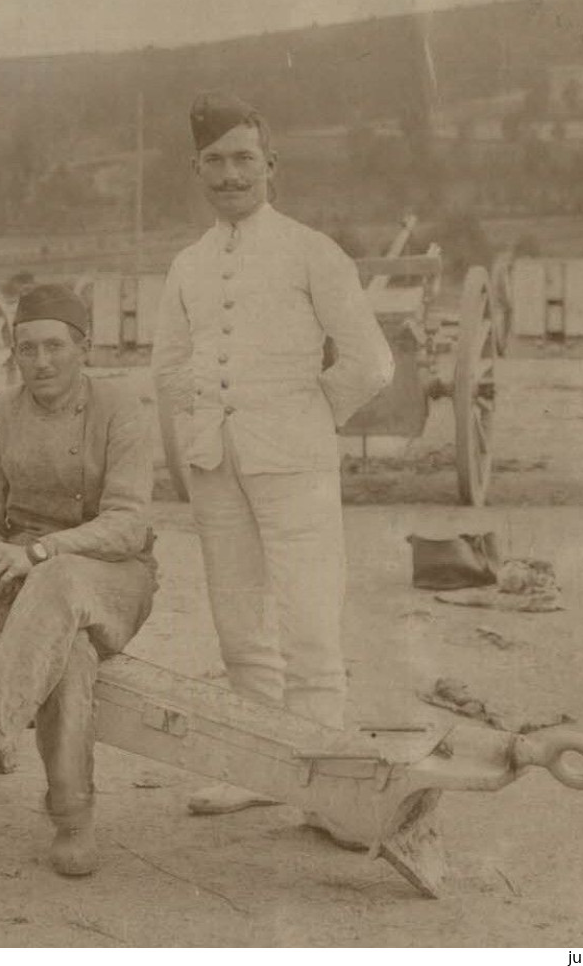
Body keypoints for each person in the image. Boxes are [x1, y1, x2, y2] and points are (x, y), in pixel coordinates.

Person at [152, 93, 393, 843]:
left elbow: (371, 363)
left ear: (269, 166)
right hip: (215, 464)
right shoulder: (187, 264)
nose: (229, 174)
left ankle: (324, 780)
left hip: (295, 462)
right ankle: (255, 769)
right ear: (196, 170)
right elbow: (168, 365)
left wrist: (306, 413)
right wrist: (192, 443)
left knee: (309, 618)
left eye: (243, 160)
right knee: (238, 625)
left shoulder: (310, 250)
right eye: (214, 162)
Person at [0, 284, 157, 877]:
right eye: (28, 349)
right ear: (15, 355)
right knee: (68, 653)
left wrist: (46, 550)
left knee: (63, 578)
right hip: (24, 580)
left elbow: (129, 524)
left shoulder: (121, 409)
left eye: (55, 346)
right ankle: (72, 818)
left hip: (114, 578)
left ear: (84, 348)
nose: (41, 361)